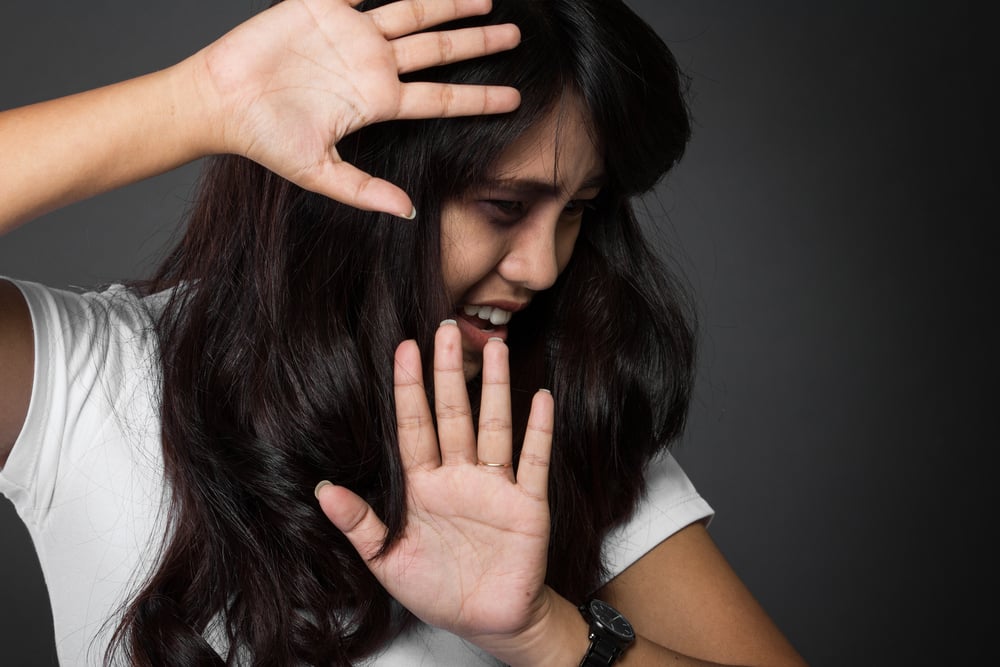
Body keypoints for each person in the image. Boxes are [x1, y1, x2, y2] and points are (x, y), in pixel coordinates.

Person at [0, 0, 808, 665]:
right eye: (503, 206)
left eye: (577, 212)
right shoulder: (90, 376)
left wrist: (547, 635)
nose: (543, 266)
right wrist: (202, 100)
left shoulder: (548, 418)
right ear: (363, 177)